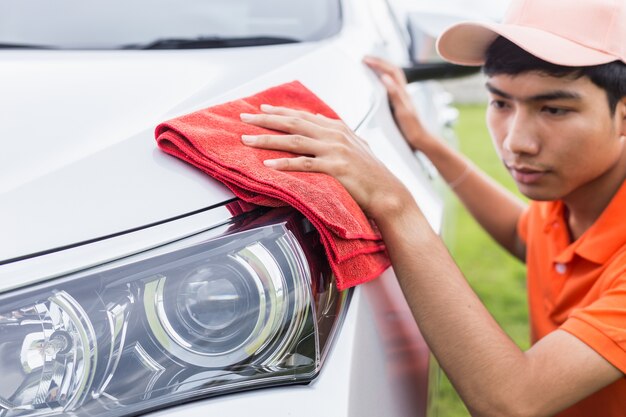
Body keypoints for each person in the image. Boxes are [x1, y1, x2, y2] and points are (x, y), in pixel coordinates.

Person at [239, 0, 626, 415]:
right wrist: (425, 141)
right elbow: (525, 235)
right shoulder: (573, 202)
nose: (516, 142)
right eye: (500, 103)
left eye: (554, 109)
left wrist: (395, 203)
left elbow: (513, 400)